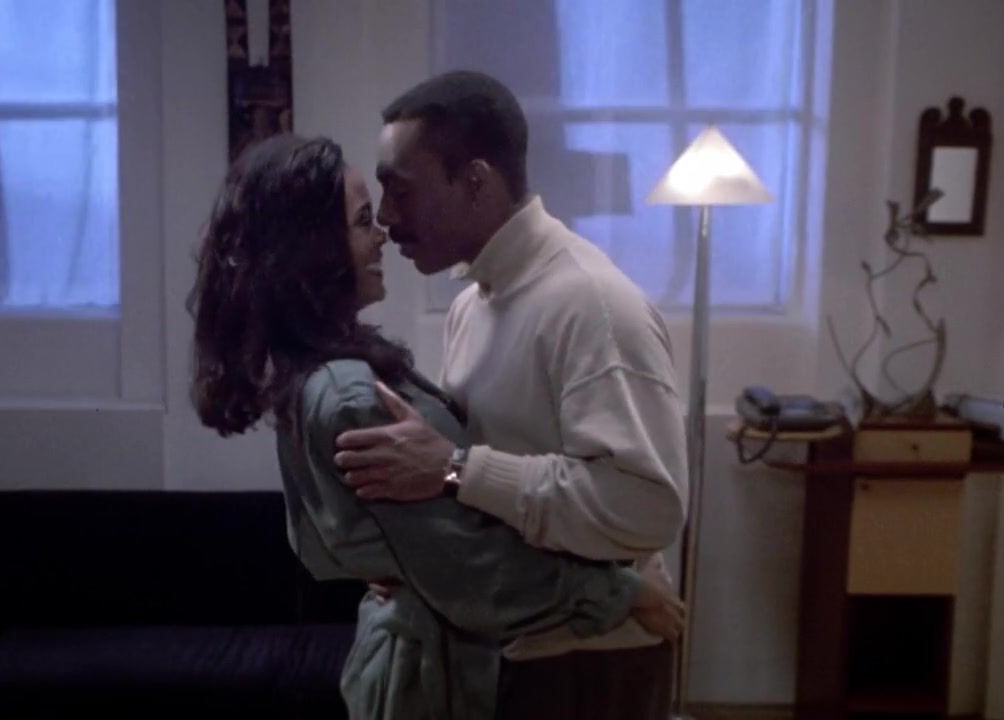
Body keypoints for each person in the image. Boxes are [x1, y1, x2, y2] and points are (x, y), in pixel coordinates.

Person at [188, 133, 684, 720]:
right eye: (364, 219)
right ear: (312, 251)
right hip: (448, 674)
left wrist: (404, 555)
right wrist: (626, 594)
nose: (384, 229)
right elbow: (471, 569)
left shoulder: (333, 366)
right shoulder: (347, 393)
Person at [334, 71, 690, 719]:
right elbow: (482, 496)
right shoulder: (472, 306)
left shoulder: (594, 307)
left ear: (475, 180)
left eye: (401, 190)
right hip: (512, 653)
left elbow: (647, 508)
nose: (385, 217)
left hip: (589, 665)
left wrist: (454, 468)